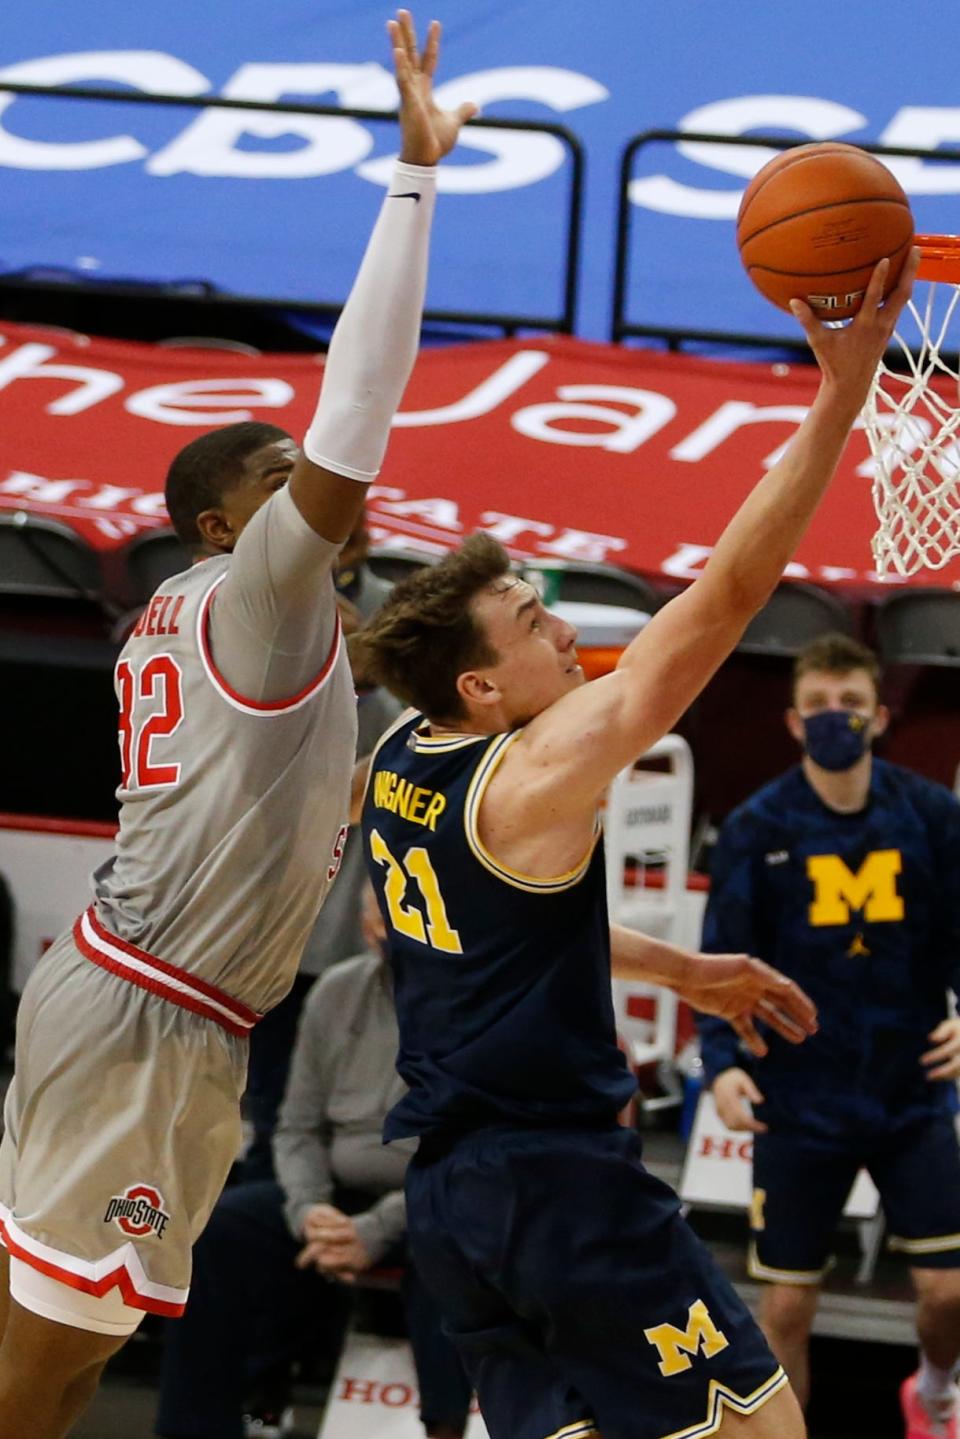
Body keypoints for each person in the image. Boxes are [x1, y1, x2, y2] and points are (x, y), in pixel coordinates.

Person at [0, 15, 476, 1439]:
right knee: (42, 1351)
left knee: (82, 1341)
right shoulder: (259, 587)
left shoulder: (237, 613)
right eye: (275, 473)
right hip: (146, 997)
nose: (309, 480)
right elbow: (364, 400)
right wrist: (413, 180)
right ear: (223, 518)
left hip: (178, 1008)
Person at [351, 251, 918, 1439]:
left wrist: (683, 969)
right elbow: (722, 599)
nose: (565, 632)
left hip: (456, 1196)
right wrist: (839, 398)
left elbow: (481, 932)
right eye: (533, 624)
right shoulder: (535, 772)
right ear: (481, 685)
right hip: (559, 1185)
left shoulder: (404, 751)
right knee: (766, 1429)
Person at [696, 633, 960, 1439]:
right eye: (818, 707)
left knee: (949, 1290)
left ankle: (937, 1391)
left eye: (849, 706)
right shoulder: (756, 824)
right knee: (785, 1303)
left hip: (909, 1087)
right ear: (791, 719)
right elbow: (717, 962)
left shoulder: (931, 814)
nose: (834, 720)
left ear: (880, 716)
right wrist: (720, 1066)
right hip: (799, 1094)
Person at [155, 883, 471, 1439]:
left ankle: (443, 1428)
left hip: (440, 1200)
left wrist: (374, 1229)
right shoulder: (334, 990)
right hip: (333, 1197)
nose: (383, 925)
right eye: (376, 910)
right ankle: (193, 1428)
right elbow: (297, 1127)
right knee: (222, 1228)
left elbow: (473, 1159)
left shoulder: (484, 1007)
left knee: (447, 1243)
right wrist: (311, 1212)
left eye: (399, 909)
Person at [239, 517, 401, 1182]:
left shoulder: (396, 609)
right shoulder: (254, 601)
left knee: (335, 1080)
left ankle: (314, 1199)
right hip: (266, 880)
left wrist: (362, 675)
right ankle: (271, 1189)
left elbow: (409, 748)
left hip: (347, 894)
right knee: (264, 1088)